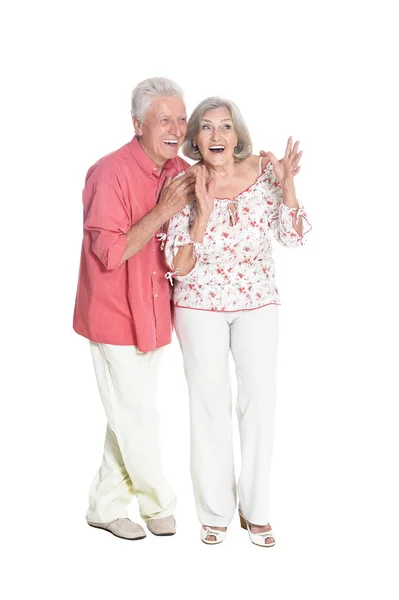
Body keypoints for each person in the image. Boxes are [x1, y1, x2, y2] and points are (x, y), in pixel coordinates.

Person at [164, 97, 311, 546]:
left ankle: (257, 509)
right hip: (198, 306)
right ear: (195, 139)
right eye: (206, 128)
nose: (216, 136)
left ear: (237, 134)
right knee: (208, 406)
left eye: (225, 127)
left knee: (259, 402)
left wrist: (287, 187)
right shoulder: (183, 183)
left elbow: (294, 237)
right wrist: (201, 219)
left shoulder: (265, 172)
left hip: (257, 304)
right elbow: (180, 265)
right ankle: (214, 512)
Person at [73, 77, 195, 540]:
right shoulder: (108, 172)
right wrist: (162, 212)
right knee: (137, 413)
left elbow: (220, 178)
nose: (177, 128)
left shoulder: (177, 170)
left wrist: (265, 168)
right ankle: (159, 502)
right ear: (137, 124)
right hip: (112, 314)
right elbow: (110, 252)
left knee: (127, 414)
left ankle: (104, 505)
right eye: (165, 119)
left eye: (181, 119)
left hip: (154, 310)